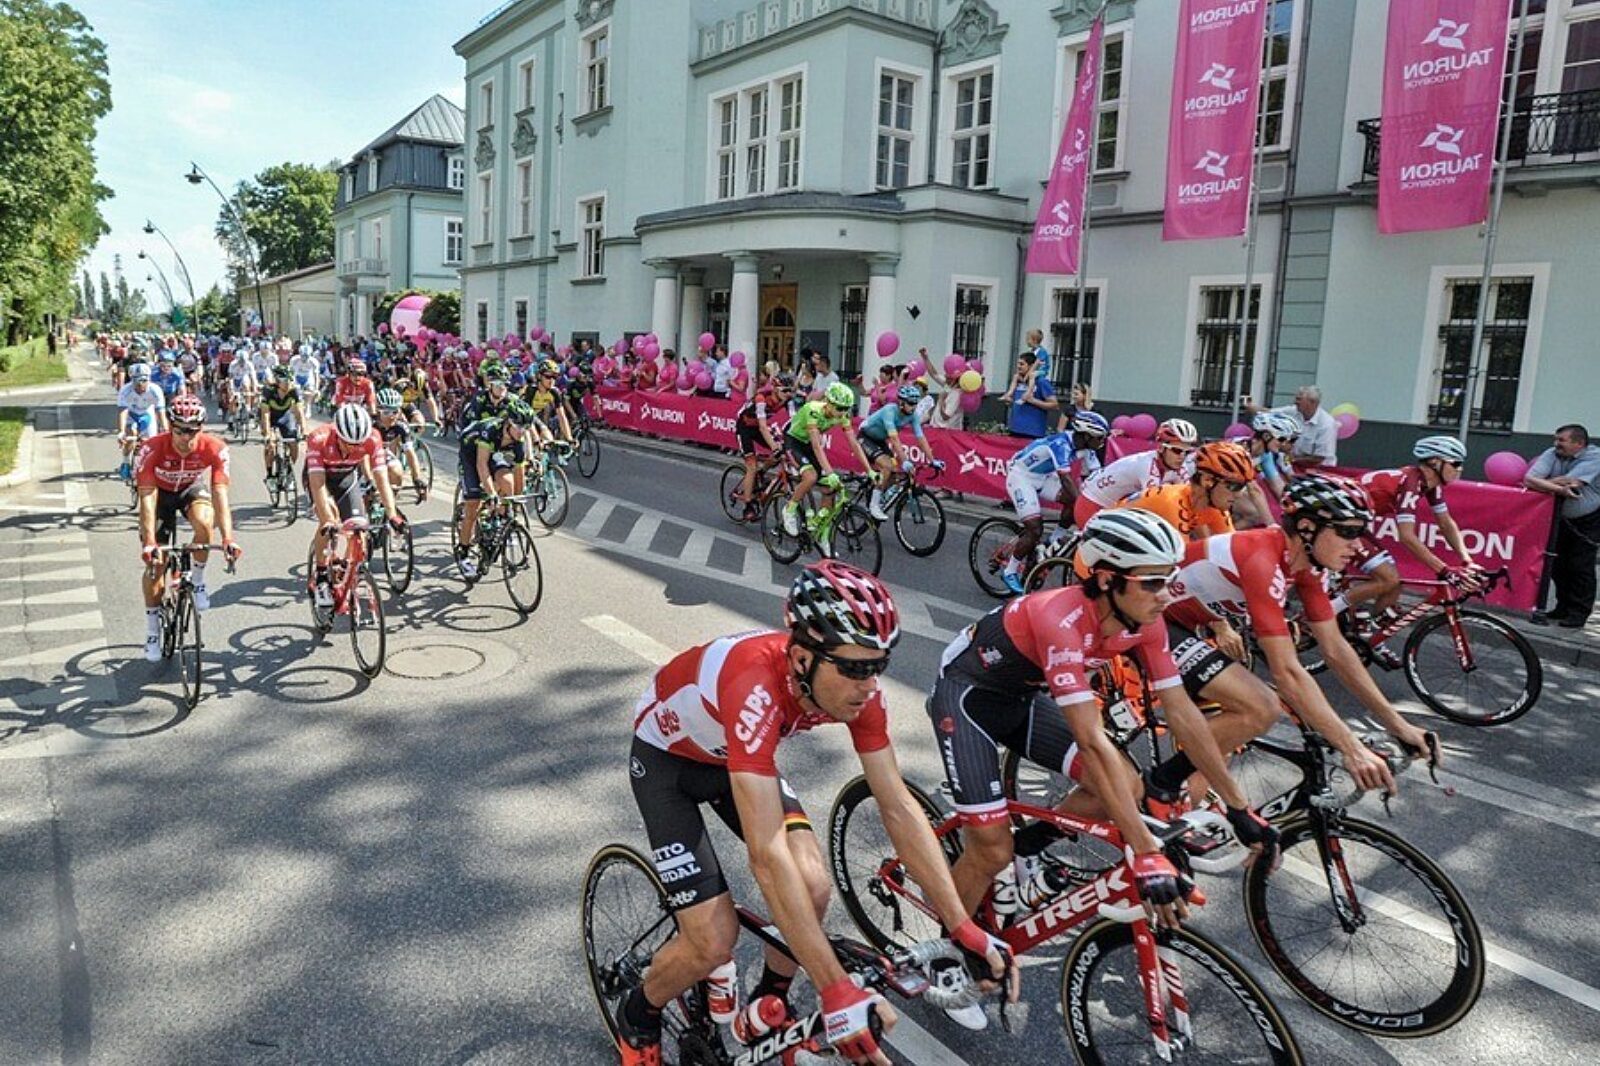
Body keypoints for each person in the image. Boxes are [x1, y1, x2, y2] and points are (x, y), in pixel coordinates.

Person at [615, 562, 1016, 1064]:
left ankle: (769, 1000)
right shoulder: (753, 685)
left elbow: (898, 808)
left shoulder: (860, 691)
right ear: (802, 658)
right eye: (853, 667)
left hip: (734, 757)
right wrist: (836, 989)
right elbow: (766, 857)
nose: (868, 684)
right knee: (713, 940)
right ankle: (638, 1014)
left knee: (813, 885)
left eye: (878, 665)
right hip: (668, 763)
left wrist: (962, 925)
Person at [928, 510, 1277, 941]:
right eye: (1152, 583)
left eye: (1169, 579)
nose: (1166, 596)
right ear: (1109, 580)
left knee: (1126, 788)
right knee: (990, 848)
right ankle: (948, 953)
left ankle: (1029, 847)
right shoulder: (1060, 620)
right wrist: (1146, 852)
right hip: (967, 699)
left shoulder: (1144, 623)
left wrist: (1240, 808)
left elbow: (1183, 714)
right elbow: (1090, 740)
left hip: (1021, 697)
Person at [1143, 474, 1437, 811]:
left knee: (1224, 741)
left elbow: (1336, 649)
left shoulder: (1308, 567)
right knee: (1260, 706)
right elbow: (1287, 673)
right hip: (1152, 622)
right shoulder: (1261, 558)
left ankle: (1170, 823)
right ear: (1308, 528)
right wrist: (1351, 747)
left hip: (1193, 626)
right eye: (1349, 532)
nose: (1358, 546)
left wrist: (1398, 724)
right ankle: (1158, 786)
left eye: (1361, 532)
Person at [1344, 436, 1483, 641]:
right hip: (1340, 523)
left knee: (1395, 583)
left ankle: (1368, 641)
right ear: (1435, 463)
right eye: (1456, 463)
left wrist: (1467, 559)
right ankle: (1330, 613)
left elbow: (1445, 523)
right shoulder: (1411, 483)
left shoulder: (1430, 485)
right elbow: (1407, 537)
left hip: (1355, 522)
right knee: (1388, 578)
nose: (1460, 469)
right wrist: (1444, 570)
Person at [134, 395, 239, 656]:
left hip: (190, 488)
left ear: (201, 428)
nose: (186, 437)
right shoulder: (151, 448)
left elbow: (220, 496)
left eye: (192, 430)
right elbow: (147, 498)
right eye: (179, 430)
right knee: (156, 566)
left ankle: (199, 580)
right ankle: (151, 631)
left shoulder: (214, 448)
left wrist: (228, 538)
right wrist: (149, 542)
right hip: (159, 494)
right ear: (170, 426)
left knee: (205, 523)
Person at [303, 404, 405, 610]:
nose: (353, 447)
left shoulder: (373, 438)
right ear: (337, 433)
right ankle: (321, 575)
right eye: (348, 443)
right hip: (320, 477)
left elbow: (382, 478)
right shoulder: (318, 438)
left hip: (346, 478)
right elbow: (317, 484)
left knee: (359, 525)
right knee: (328, 519)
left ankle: (353, 571)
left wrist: (392, 515)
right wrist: (328, 520)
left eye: (358, 443)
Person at [999, 411, 1109, 593]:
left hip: (1042, 477)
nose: (1102, 442)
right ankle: (1010, 571)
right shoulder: (1060, 444)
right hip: (1022, 476)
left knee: (1073, 502)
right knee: (1035, 529)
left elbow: (1099, 476)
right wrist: (1086, 506)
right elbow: (1066, 480)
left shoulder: (1087, 449)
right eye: (1099, 437)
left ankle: (1053, 540)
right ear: (1087, 435)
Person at [779, 382, 873, 554]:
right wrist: (830, 472)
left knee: (830, 488)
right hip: (794, 441)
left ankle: (823, 535)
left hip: (808, 445)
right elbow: (816, 446)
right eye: (839, 408)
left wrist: (870, 470)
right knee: (811, 477)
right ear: (828, 402)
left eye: (846, 408)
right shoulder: (813, 409)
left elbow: (854, 444)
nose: (842, 412)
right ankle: (790, 509)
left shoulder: (842, 415)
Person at [1525, 424, 1600, 627]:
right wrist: (1553, 485)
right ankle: (1562, 607)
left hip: (1588, 520)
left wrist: (1543, 483)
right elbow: (1529, 478)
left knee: (1580, 566)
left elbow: (1572, 482)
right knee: (1557, 564)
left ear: (1579, 443)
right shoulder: (1551, 453)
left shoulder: (1594, 457)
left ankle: (1579, 612)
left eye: (1561, 440)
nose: (1556, 444)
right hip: (1558, 518)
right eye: (1556, 439)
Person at [455, 405, 535, 579]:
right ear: (509, 423)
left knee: (507, 482)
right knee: (473, 506)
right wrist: (491, 493)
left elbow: (519, 473)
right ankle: (463, 553)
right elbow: (481, 465)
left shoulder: (518, 441)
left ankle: (498, 521)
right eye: (519, 427)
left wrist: (515, 501)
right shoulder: (490, 431)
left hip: (494, 453)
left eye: (526, 428)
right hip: (471, 453)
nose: (522, 432)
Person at [1118, 440, 1254, 542]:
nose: (1239, 494)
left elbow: (1230, 550)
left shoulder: (1213, 507)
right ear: (1207, 480)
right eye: (1234, 486)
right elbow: (1183, 560)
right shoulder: (1173, 502)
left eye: (1242, 487)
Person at [1073, 417, 1199, 526]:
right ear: (1161, 448)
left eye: (1187, 452)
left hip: (1113, 509)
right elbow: (1154, 507)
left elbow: (1187, 499)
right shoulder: (1146, 465)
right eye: (1177, 450)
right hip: (1091, 506)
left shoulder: (1178, 466)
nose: (1182, 456)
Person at [856, 384, 942, 521]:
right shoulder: (889, 411)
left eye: (916, 403)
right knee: (887, 466)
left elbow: (921, 438)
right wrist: (905, 460)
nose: (914, 407)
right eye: (910, 403)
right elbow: (895, 439)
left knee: (895, 477)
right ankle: (874, 505)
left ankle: (876, 491)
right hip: (865, 437)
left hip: (880, 441)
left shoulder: (912, 416)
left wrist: (932, 460)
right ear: (901, 402)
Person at [733, 373, 793, 521]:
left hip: (760, 427)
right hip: (745, 427)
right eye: (785, 390)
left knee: (780, 452)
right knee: (751, 467)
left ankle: (762, 472)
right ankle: (748, 506)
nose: (788, 394)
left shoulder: (787, 400)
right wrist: (774, 446)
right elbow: (762, 426)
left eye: (790, 390)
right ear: (775, 389)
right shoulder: (761, 399)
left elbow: (794, 421)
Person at [1247, 386, 1335, 469]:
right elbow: (1269, 413)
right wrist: (1250, 407)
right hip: (1295, 465)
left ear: (1312, 402)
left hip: (1320, 470)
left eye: (1299, 399)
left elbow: (1319, 458)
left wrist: (1290, 459)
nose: (1295, 402)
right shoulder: (1293, 411)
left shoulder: (1326, 424)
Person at [375, 388, 429, 504]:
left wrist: (417, 479)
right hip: (362, 456)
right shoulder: (369, 424)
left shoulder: (400, 426)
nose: (391, 416)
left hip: (381, 453)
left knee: (396, 469)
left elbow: (410, 454)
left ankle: (389, 507)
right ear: (377, 411)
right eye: (386, 412)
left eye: (395, 412)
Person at [116, 362, 166, 480]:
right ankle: (126, 462)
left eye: (144, 381)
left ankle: (150, 465)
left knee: (152, 442)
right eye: (137, 382)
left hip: (147, 415)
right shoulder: (125, 391)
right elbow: (123, 412)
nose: (141, 385)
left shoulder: (155, 390)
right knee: (131, 435)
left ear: (149, 380)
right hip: (131, 415)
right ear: (132, 381)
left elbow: (161, 413)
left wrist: (165, 429)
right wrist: (121, 431)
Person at [258, 366, 307, 485]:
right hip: (270, 417)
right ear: (278, 381)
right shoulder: (268, 390)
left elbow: (300, 412)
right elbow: (265, 415)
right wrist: (268, 435)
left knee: (294, 444)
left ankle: (288, 469)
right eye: (286, 381)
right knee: (271, 446)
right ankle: (270, 475)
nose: (288, 384)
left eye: (291, 380)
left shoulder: (294, 390)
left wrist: (304, 430)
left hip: (286, 416)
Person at [1002, 350, 1056, 439]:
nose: (1018, 366)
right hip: (1015, 429)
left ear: (1031, 366)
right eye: (1018, 364)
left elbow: (1054, 405)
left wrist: (1033, 401)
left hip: (1033, 432)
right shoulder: (1018, 381)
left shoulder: (1042, 382)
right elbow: (1017, 402)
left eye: (1022, 364)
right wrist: (1010, 402)